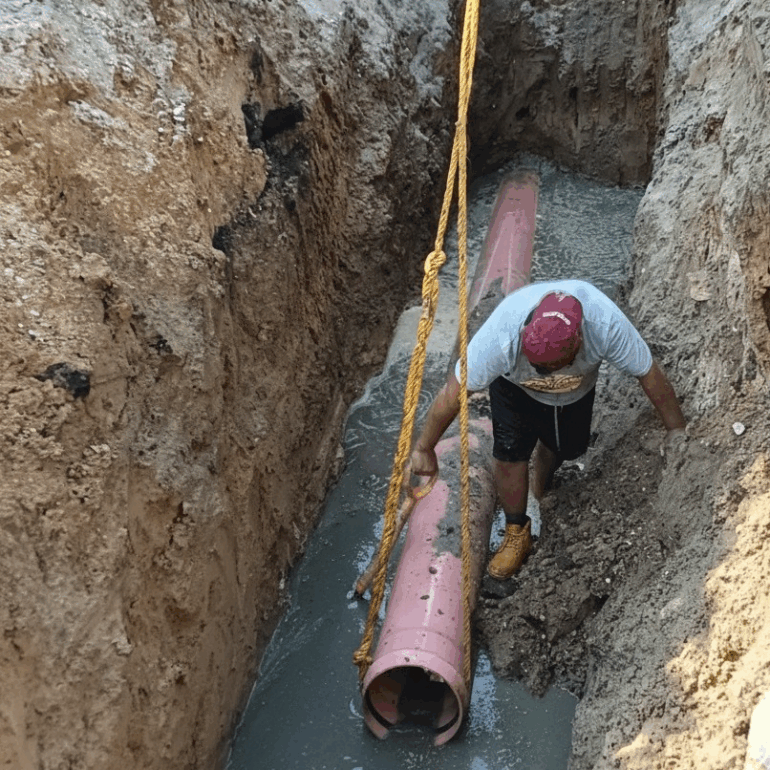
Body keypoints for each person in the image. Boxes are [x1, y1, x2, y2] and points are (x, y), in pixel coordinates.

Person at [409, 279, 687, 580]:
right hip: (514, 388)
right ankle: (516, 530)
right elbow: (453, 394)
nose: (543, 374)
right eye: (538, 366)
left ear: (579, 341)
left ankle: (540, 480)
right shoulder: (501, 334)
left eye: (551, 367)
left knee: (569, 447)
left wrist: (677, 431)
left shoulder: (605, 324)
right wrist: (424, 447)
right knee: (509, 453)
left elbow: (649, 374)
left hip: (575, 391)